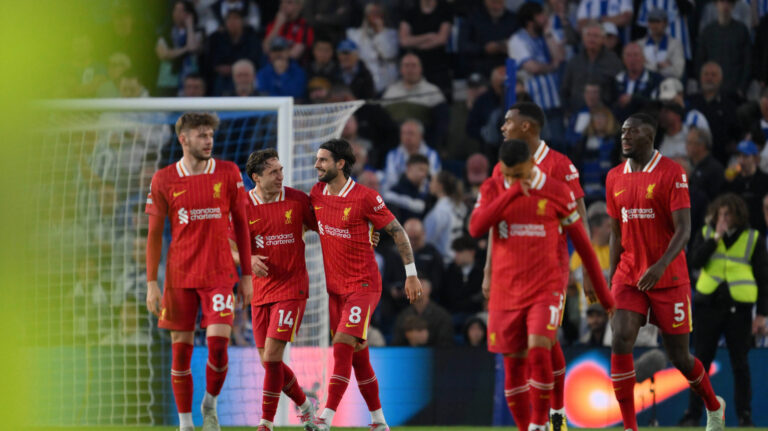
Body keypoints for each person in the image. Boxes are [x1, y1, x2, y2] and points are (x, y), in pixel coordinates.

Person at [469, 138, 614, 431]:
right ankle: (528, 428)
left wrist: (607, 299)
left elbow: (584, 246)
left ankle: (541, 422)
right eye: (508, 175)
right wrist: (510, 194)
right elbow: (476, 227)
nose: (513, 180)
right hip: (506, 289)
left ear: (532, 164)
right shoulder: (494, 187)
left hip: (546, 286)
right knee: (513, 365)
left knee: (539, 348)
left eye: (519, 174)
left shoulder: (557, 191)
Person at [604, 113, 725, 431]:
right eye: (623, 131)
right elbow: (616, 232)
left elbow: (684, 230)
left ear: (650, 136)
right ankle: (630, 426)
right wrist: (610, 275)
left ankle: (714, 407)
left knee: (680, 358)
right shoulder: (614, 176)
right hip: (630, 274)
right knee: (621, 338)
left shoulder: (672, 173)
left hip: (668, 277)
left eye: (633, 132)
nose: (625, 136)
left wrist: (659, 266)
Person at [487, 102, 593, 429]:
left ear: (526, 127)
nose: (502, 127)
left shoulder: (561, 165)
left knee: (542, 343)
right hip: (511, 274)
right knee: (540, 343)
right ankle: (547, 417)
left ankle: (553, 415)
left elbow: (581, 219)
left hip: (551, 269)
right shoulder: (502, 166)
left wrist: (587, 269)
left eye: (508, 122)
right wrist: (488, 271)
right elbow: (494, 224)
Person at [145, 113, 253, 431]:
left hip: (220, 274)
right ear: (184, 139)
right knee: (181, 353)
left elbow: (243, 226)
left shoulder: (228, 172)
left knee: (219, 348)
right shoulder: (163, 178)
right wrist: (152, 283)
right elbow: (153, 234)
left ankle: (210, 404)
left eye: (211, 135)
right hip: (179, 277)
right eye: (201, 135)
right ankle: (185, 424)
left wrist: (246, 275)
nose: (208, 141)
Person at [307, 139, 423, 431]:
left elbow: (398, 233)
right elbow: (309, 223)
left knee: (343, 343)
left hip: (364, 286)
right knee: (359, 357)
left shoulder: (365, 197)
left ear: (340, 164)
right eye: (317, 159)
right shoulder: (317, 193)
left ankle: (324, 418)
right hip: (335, 291)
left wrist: (411, 274)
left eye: (322, 160)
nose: (316, 165)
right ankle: (379, 422)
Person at [236, 149, 319, 431]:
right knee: (267, 362)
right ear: (256, 177)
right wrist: (247, 260)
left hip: (292, 288)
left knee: (272, 357)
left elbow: (326, 227)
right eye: (273, 172)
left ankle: (265, 424)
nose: (280, 176)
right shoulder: (243, 206)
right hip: (261, 292)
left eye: (281, 170)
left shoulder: (297, 200)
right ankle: (307, 406)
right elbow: (229, 247)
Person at [679, 193, 768, 427]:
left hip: (739, 309)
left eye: (728, 214)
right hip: (708, 306)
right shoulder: (707, 233)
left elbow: (764, 279)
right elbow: (694, 261)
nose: (724, 218)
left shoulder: (752, 238)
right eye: (721, 213)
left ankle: (744, 414)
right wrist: (716, 237)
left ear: (738, 215)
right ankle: (692, 414)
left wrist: (761, 314)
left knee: (741, 363)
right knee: (700, 362)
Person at [508, 2, 567, 150]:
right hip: (534, 104)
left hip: (554, 101)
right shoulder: (517, 40)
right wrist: (551, 66)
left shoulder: (547, 34)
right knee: (539, 148)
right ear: (530, 21)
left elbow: (559, 57)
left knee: (559, 146)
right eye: (540, 15)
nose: (545, 18)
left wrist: (548, 34)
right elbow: (532, 67)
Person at [561, 21, 622, 116]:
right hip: (577, 113)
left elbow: (619, 90)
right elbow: (565, 89)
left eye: (596, 36)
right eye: (588, 35)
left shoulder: (614, 61)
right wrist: (568, 110)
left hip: (605, 115)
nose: (592, 39)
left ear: (603, 39)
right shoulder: (574, 61)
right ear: (583, 38)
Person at [696, 0, 752, 98]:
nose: (725, 6)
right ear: (716, 5)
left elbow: (748, 62)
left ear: (733, 6)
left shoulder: (741, 31)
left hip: (734, 91)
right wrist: (703, 85)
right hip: (712, 89)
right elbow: (700, 61)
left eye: (729, 2)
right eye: (722, 2)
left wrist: (742, 88)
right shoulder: (708, 31)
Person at [345, 2, 399, 94]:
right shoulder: (355, 34)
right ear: (366, 15)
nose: (375, 15)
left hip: (387, 80)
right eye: (371, 12)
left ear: (383, 14)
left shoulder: (392, 33)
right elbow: (353, 57)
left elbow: (388, 54)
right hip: (364, 78)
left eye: (378, 12)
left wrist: (381, 32)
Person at [391, 276, 454, 347]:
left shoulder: (442, 315)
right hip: (409, 356)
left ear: (429, 289)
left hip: (435, 356)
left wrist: (428, 338)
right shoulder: (403, 316)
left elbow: (446, 344)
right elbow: (396, 345)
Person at [462, 0, 519, 76]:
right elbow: (463, 45)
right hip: (481, 68)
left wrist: (509, 46)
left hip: (507, 67)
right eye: (494, 2)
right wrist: (484, 49)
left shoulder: (513, 19)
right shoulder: (473, 18)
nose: (497, 7)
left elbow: (522, 42)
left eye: (500, 3)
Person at [382, 119, 441, 191]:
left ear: (420, 136)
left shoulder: (432, 155)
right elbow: (390, 181)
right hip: (399, 195)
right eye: (403, 133)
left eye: (411, 133)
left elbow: (434, 181)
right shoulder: (392, 155)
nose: (407, 137)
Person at [725, 140, 768, 234]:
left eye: (745, 156)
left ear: (756, 159)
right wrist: (727, 182)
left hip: (759, 230)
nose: (741, 161)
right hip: (737, 230)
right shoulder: (733, 181)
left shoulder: (765, 180)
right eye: (739, 156)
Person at [424, 171, 467, 264]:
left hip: (445, 261)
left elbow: (427, 239)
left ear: (440, 186)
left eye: (432, 181)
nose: (429, 184)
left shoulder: (440, 211)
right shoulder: (459, 205)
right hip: (457, 257)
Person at [613, 42, 662, 122]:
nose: (632, 59)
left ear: (643, 58)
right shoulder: (616, 80)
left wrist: (633, 99)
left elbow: (657, 104)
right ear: (623, 59)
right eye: (628, 55)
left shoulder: (655, 79)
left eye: (636, 55)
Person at [637, 9, 684, 79]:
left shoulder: (675, 45)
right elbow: (637, 69)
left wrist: (647, 65)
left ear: (665, 23)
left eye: (658, 22)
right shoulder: (639, 44)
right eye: (652, 22)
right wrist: (659, 66)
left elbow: (678, 72)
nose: (654, 25)